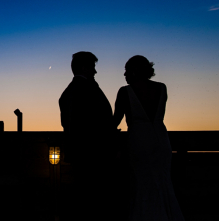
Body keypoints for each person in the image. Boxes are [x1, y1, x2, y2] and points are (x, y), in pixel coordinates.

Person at [113, 55, 184, 221]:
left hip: (139, 140)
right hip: (160, 138)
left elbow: (115, 120)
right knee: (162, 181)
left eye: (126, 71)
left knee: (141, 183)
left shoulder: (125, 91)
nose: (124, 75)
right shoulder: (162, 88)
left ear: (135, 71)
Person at [59, 51, 118, 220]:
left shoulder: (69, 92)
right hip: (94, 155)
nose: (95, 71)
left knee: (86, 198)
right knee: (93, 200)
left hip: (85, 154)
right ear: (84, 68)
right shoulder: (85, 90)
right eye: (93, 67)